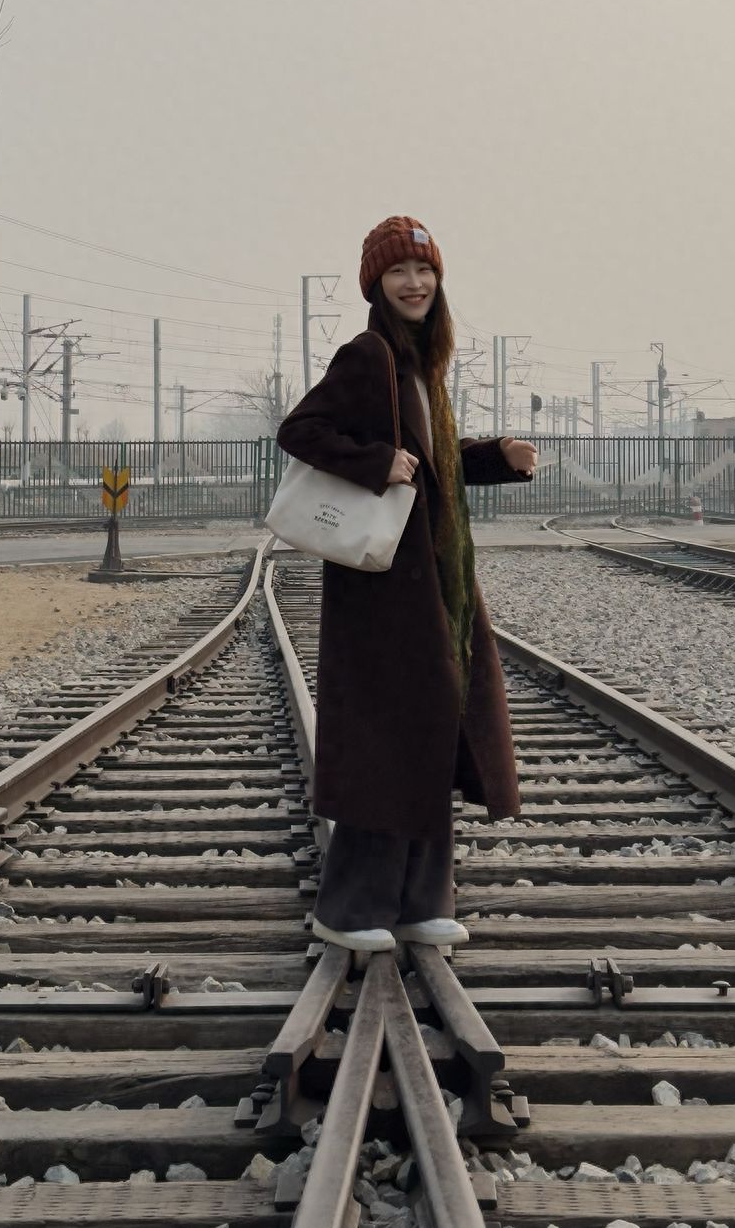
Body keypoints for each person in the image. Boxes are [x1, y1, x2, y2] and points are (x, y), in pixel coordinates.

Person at [277, 216, 538, 952]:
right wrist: (374, 461)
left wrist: (497, 456)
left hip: (436, 580)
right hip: (385, 590)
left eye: (424, 271)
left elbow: (434, 459)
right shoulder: (369, 354)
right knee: (385, 741)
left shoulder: (424, 361)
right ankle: (351, 907)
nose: (415, 283)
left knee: (431, 730)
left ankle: (422, 899)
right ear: (376, 285)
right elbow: (299, 430)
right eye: (399, 273)